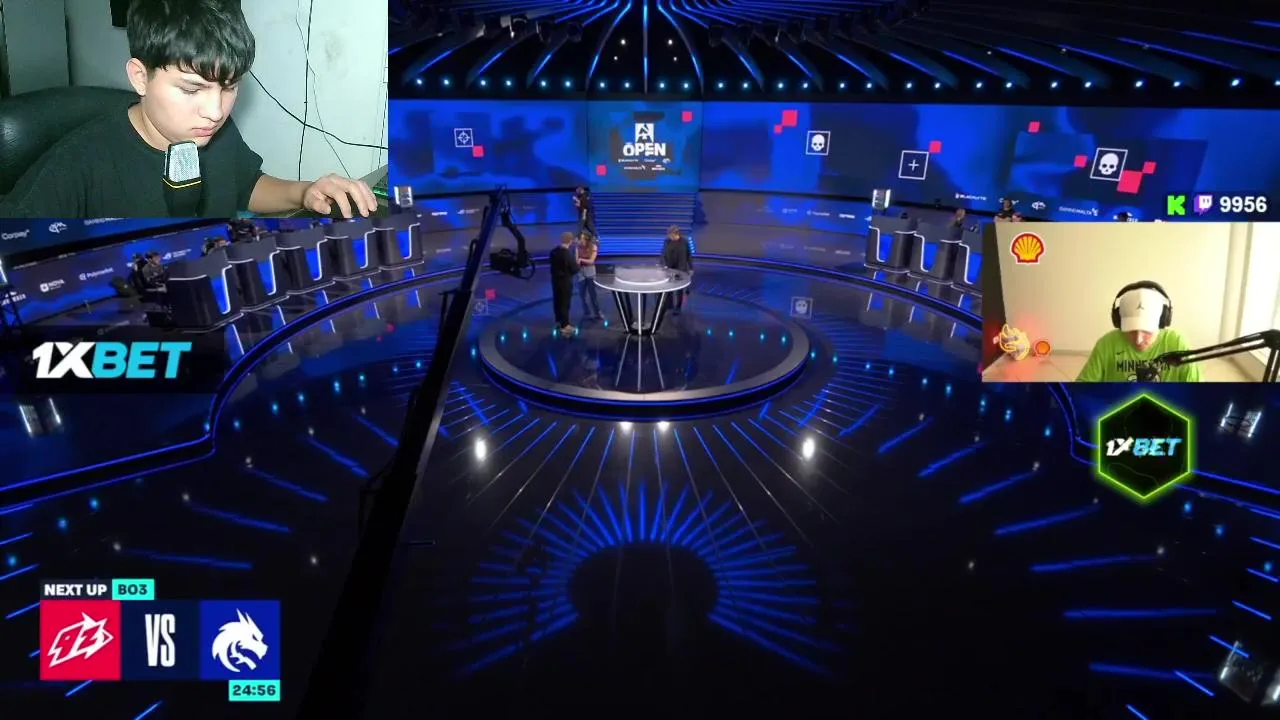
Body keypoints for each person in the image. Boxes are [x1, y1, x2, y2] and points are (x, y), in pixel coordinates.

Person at [0, 0, 377, 219]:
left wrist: (306, 191)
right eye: (192, 89)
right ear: (140, 77)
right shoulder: (76, 165)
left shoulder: (211, 132)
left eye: (229, 87)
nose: (215, 111)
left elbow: (245, 185)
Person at [1076, 281, 1201, 382]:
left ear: (1162, 322)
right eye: (1131, 330)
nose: (1138, 340)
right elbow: (1080, 390)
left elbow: (1198, 393)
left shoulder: (1178, 344)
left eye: (1147, 331)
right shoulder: (1106, 345)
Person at [550, 232, 578, 336]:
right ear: (570, 241)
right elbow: (575, 269)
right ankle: (565, 325)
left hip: (555, 280)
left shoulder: (553, 251)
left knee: (557, 300)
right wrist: (576, 260)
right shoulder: (567, 254)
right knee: (565, 303)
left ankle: (559, 320)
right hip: (565, 282)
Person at [661, 226, 693, 315]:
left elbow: (689, 255)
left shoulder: (684, 242)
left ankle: (678, 307)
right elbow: (663, 254)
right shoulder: (667, 241)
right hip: (669, 267)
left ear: (676, 234)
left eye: (671, 235)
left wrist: (690, 268)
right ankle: (669, 305)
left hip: (681, 268)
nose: (669, 237)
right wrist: (663, 265)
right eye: (669, 235)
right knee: (668, 287)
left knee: (679, 289)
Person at [577, 232, 604, 321]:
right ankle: (587, 313)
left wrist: (581, 260)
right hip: (580, 272)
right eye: (580, 239)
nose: (580, 240)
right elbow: (576, 260)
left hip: (590, 271)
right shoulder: (577, 248)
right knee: (582, 295)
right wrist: (579, 261)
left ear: (587, 239)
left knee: (593, 295)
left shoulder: (593, 247)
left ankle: (597, 313)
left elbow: (591, 261)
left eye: (582, 239)